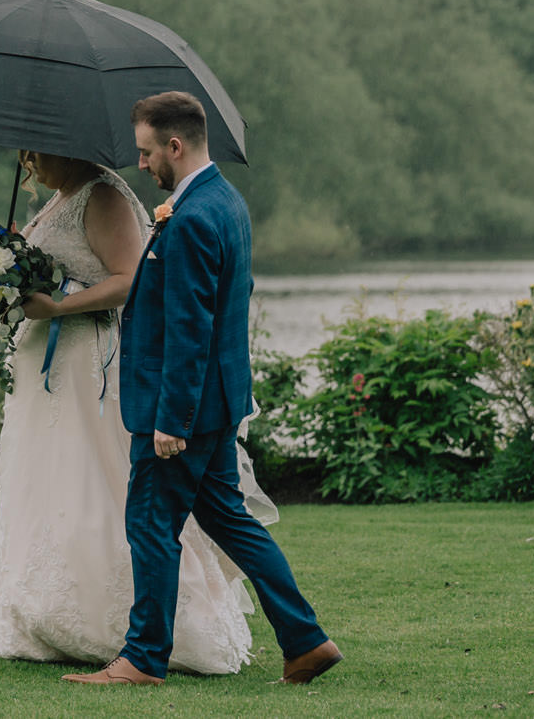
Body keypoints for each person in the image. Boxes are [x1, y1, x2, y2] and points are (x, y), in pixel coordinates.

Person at [62, 90, 341, 686]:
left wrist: (172, 421)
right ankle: (307, 640)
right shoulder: (226, 201)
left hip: (183, 407)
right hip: (218, 399)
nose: (141, 164)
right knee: (231, 520)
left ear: (175, 145)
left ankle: (142, 658)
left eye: (145, 152)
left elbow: (192, 328)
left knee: (151, 525)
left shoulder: (189, 218)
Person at [0, 146, 258, 675]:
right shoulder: (60, 196)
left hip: (87, 365)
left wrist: (57, 305)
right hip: (45, 372)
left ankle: (131, 626)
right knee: (48, 484)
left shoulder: (102, 196)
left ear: (64, 144)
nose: (27, 162)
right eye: (22, 153)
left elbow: (130, 281)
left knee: (98, 482)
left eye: (34, 152)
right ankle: (44, 614)